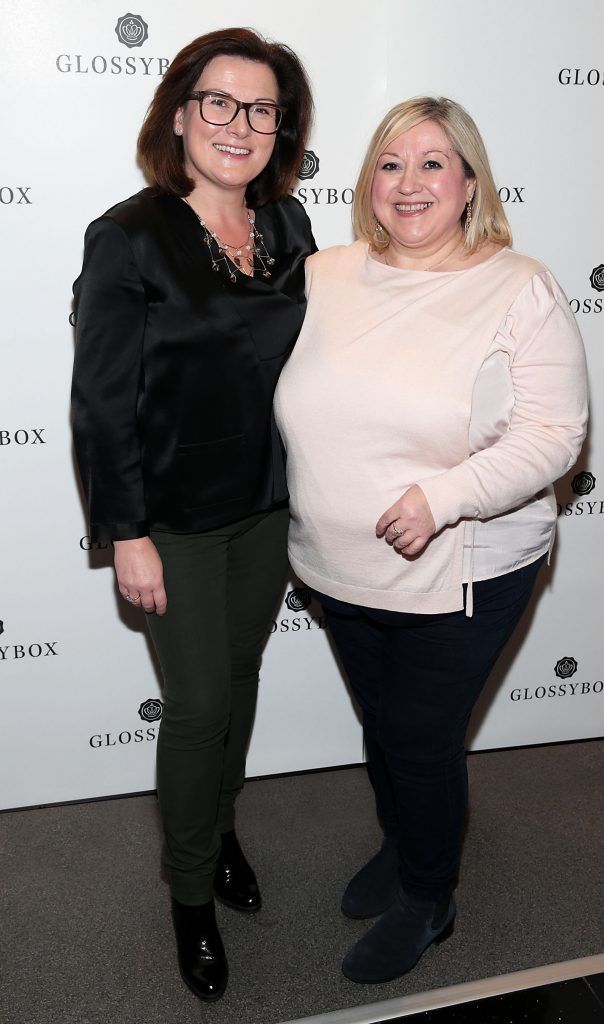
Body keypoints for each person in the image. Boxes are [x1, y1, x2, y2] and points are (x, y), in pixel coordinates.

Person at [274, 96, 587, 984]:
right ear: (368, 182)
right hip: (336, 564)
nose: (408, 183)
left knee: (419, 736)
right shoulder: (326, 273)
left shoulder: (518, 285)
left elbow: (554, 436)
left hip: (466, 568)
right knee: (384, 730)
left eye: (433, 164)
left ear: (469, 183)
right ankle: (407, 839)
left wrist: (442, 497)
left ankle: (427, 895)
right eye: (389, 164)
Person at [71, 27, 314, 1002]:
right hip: (170, 517)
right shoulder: (129, 235)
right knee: (200, 704)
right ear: (178, 113)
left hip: (267, 507)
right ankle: (188, 894)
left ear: (278, 130)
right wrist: (124, 531)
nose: (238, 124)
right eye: (218, 102)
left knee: (243, 679)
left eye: (260, 109)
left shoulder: (290, 226)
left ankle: (217, 835)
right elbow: (100, 399)